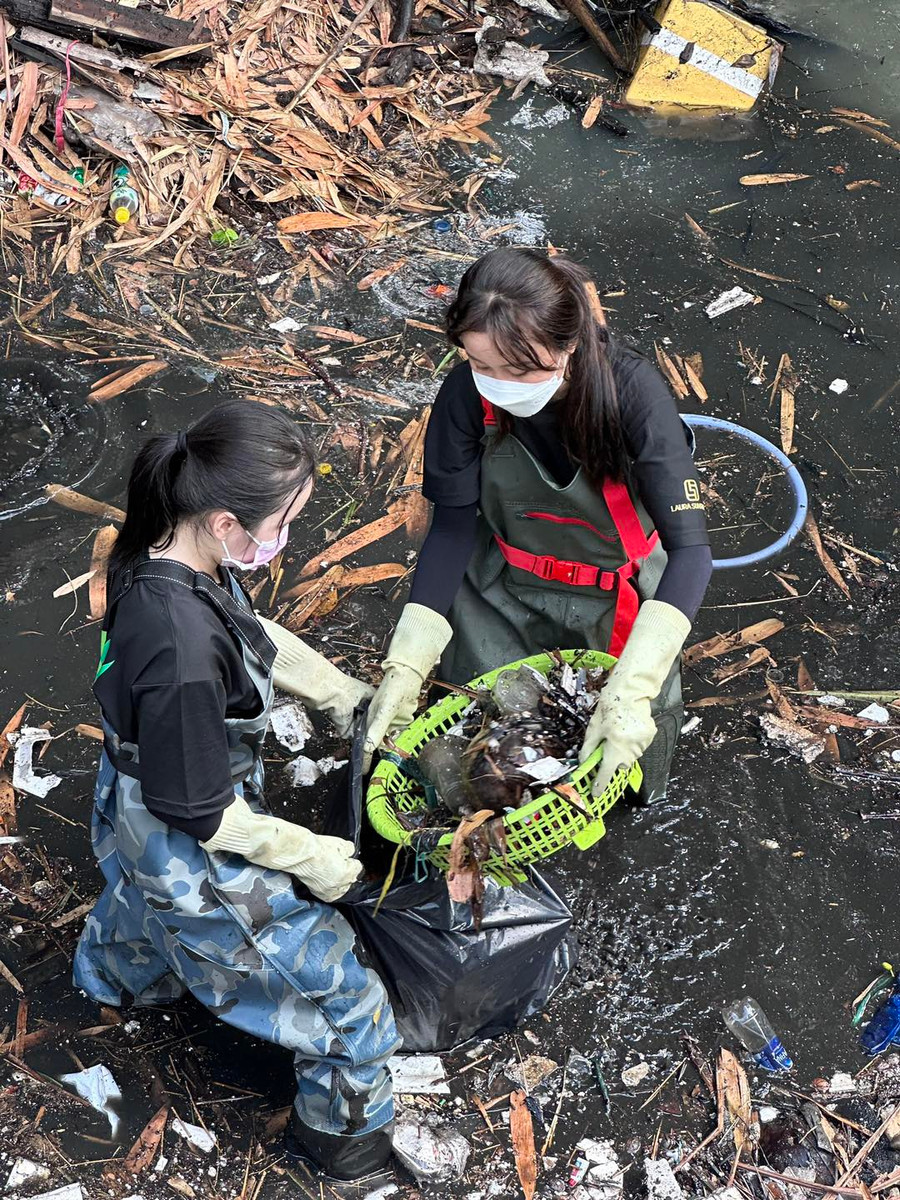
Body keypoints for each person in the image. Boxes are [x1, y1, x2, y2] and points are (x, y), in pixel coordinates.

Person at [73, 400, 400, 1181]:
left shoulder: (158, 549)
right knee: (352, 1013)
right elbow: (201, 813)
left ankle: (106, 987)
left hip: (132, 792)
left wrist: (339, 690)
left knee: (139, 895)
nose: (285, 538)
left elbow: (242, 632)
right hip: (191, 833)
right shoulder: (181, 651)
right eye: (282, 523)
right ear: (225, 523)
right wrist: (312, 856)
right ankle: (344, 1157)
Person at [365, 248, 712, 803]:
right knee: (478, 751)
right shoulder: (463, 397)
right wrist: (411, 653)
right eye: (481, 365)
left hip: (616, 592)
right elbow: (452, 529)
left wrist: (638, 679)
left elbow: (692, 553)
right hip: (504, 585)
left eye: (521, 369)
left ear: (569, 344)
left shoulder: (633, 396)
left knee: (621, 746)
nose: (500, 383)